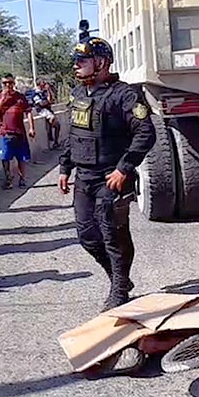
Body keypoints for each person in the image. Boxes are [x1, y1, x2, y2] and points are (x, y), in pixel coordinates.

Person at [58, 37, 157, 310]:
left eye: (82, 61)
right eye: (76, 61)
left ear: (101, 63)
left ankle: (119, 290)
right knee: (87, 236)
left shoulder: (123, 95)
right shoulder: (78, 95)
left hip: (111, 178)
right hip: (84, 178)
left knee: (113, 235)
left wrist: (124, 168)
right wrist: (65, 167)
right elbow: (73, 135)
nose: (76, 66)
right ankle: (119, 278)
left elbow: (145, 133)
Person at [0, 74, 36, 189]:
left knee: (21, 157)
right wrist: (3, 98)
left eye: (10, 83)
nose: (8, 85)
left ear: (14, 84)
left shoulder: (20, 97)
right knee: (5, 157)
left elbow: (28, 112)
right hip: (6, 132)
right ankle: (8, 179)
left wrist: (31, 127)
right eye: (5, 83)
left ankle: (22, 179)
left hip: (20, 132)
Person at [34, 79, 60, 149]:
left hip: (48, 110)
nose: (45, 83)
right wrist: (48, 102)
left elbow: (51, 100)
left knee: (57, 125)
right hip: (41, 110)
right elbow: (41, 104)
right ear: (39, 84)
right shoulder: (36, 92)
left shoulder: (45, 91)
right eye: (43, 82)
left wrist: (49, 90)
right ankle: (50, 138)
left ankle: (55, 142)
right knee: (51, 120)